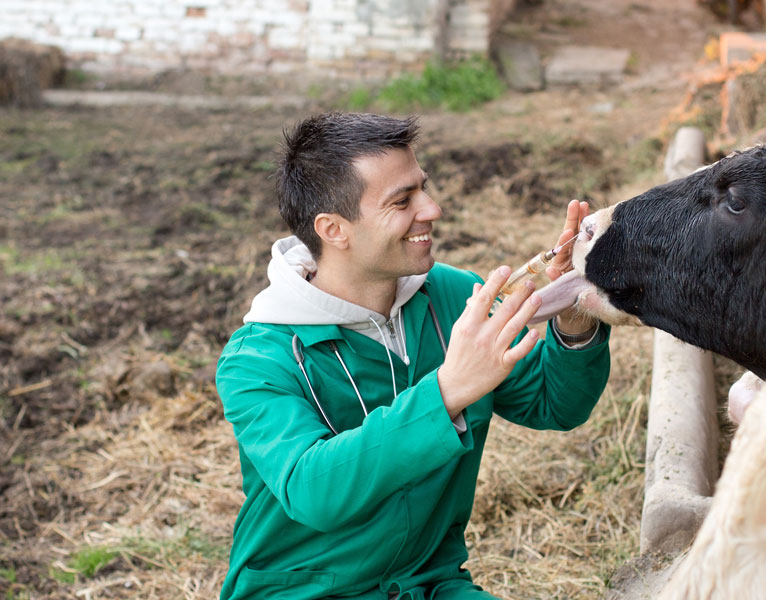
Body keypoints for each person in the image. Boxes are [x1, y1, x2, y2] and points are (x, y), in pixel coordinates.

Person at [214, 112, 610, 600]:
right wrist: (448, 393)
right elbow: (310, 489)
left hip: (428, 586)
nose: (432, 209)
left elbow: (557, 405)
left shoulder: (454, 297)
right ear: (333, 229)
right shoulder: (259, 359)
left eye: (423, 188)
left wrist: (572, 307)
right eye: (402, 201)